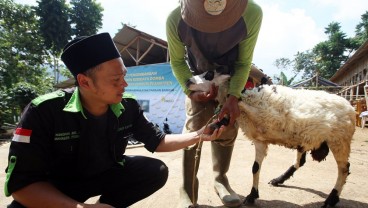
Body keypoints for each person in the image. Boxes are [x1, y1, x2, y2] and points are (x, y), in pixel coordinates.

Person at [4, 32, 225, 208]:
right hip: (57, 186)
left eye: (124, 76)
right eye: (115, 80)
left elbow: (157, 141)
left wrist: (198, 135)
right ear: (85, 82)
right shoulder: (43, 111)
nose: (124, 84)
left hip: (103, 175)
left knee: (153, 171)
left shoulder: (127, 105)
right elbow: (22, 186)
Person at [166, 0, 263, 207]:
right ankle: (187, 187)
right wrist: (189, 90)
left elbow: (244, 63)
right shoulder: (175, 19)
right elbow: (177, 61)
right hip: (197, 80)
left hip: (230, 78)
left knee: (227, 128)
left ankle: (221, 180)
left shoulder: (252, 13)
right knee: (195, 130)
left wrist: (233, 96)